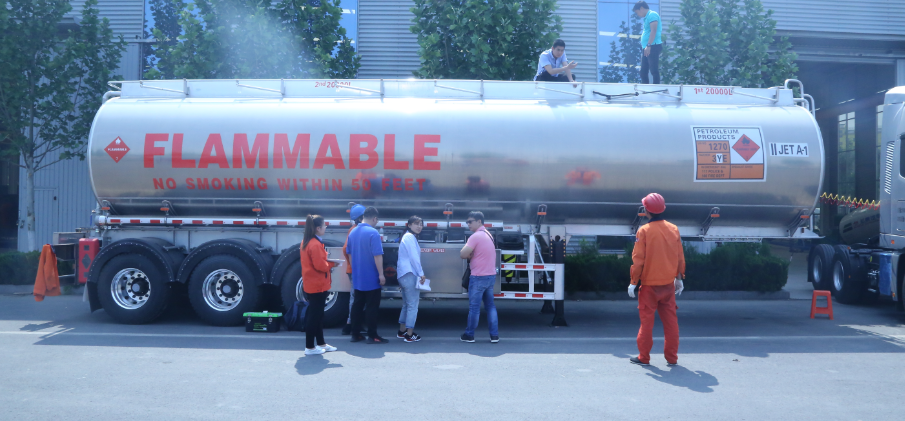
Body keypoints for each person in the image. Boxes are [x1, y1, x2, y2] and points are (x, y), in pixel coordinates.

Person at [627, 193, 685, 366]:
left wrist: (633, 282)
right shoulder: (674, 229)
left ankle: (644, 357)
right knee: (671, 323)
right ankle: (672, 358)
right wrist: (679, 278)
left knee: (647, 324)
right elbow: (679, 256)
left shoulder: (644, 231)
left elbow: (638, 260)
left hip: (649, 287)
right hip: (668, 285)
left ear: (646, 210)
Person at [346, 206, 388, 344]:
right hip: (371, 277)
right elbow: (377, 255)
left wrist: (355, 269)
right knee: (371, 307)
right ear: (374, 218)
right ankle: (372, 335)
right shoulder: (373, 233)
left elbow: (349, 253)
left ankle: (355, 334)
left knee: (357, 305)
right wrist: (381, 274)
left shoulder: (352, 232)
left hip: (358, 276)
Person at [300, 214, 339, 356]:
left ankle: (321, 343)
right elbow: (321, 266)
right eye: (324, 225)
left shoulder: (307, 242)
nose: (325, 227)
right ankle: (310, 347)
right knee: (315, 316)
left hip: (313, 284)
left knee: (317, 315)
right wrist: (333, 264)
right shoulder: (315, 244)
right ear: (318, 228)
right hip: (317, 285)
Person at [459, 211, 499, 343]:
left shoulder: (475, 236)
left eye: (470, 222)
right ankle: (494, 335)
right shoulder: (489, 234)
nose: (468, 224)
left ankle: (469, 335)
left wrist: (470, 254)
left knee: (474, 308)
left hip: (478, 277)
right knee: (490, 306)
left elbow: (463, 254)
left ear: (479, 221)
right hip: (490, 276)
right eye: (467, 222)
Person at [396, 216, 426, 342]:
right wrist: (421, 273)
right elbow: (414, 258)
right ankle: (409, 334)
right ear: (409, 225)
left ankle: (402, 331)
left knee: (406, 304)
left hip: (403, 274)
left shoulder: (407, 237)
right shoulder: (410, 237)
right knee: (413, 305)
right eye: (416, 224)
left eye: (421, 224)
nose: (419, 226)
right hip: (410, 274)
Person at [341, 204, 365, 336]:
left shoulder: (354, 229)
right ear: (360, 218)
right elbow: (346, 249)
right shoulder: (355, 230)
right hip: (356, 270)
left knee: (356, 297)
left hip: (354, 269)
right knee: (356, 298)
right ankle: (351, 324)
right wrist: (353, 264)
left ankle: (352, 324)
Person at [634, 1, 662, 84]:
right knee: (643, 71)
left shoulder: (652, 15)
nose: (638, 15)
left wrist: (649, 45)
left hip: (653, 46)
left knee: (653, 69)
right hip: (647, 47)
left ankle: (656, 87)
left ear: (641, 8)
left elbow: (653, 30)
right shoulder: (647, 17)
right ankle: (645, 87)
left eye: (637, 12)